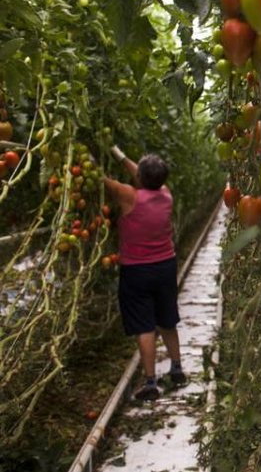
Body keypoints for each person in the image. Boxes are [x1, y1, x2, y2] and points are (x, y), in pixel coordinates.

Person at [103, 145, 187, 401]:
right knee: (167, 320)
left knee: (144, 326)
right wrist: (119, 153)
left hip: (136, 271)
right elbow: (141, 175)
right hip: (165, 267)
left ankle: (151, 382)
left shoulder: (129, 196)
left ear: (140, 178)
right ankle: (176, 368)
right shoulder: (166, 195)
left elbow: (103, 180)